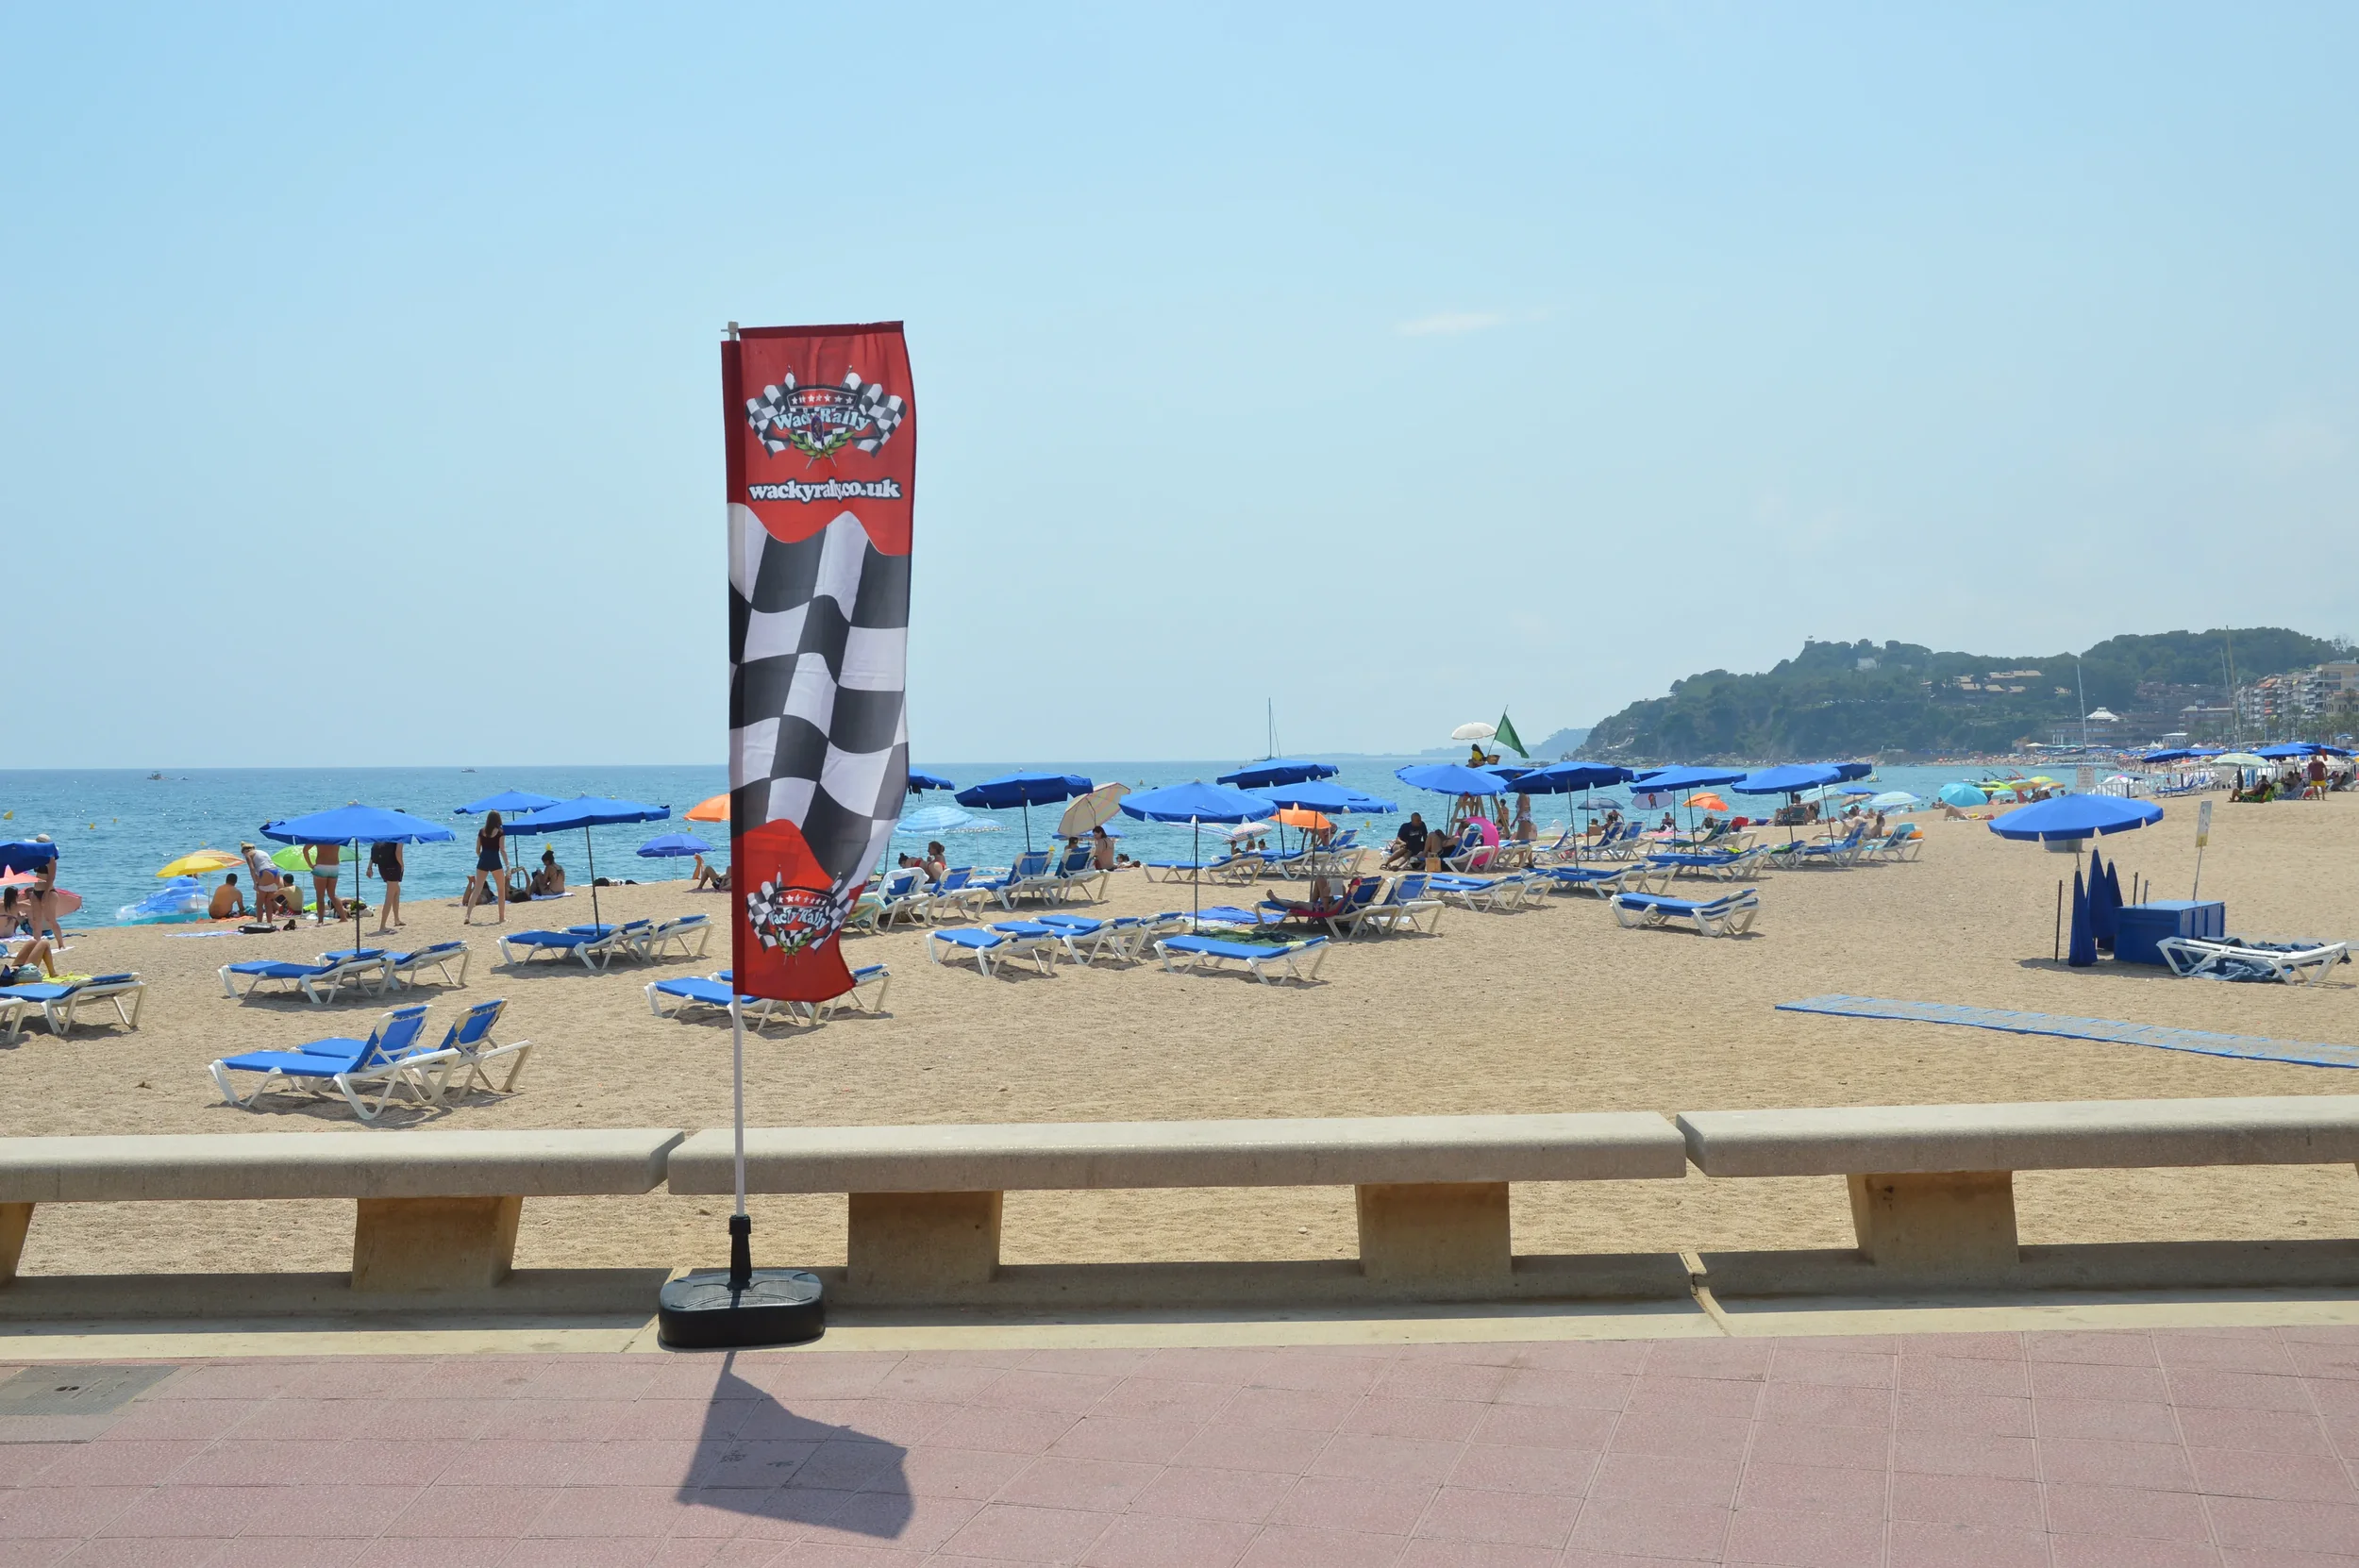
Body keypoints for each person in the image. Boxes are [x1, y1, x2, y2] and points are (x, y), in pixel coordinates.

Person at [464, 811, 507, 925]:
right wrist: (508, 865)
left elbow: (477, 850)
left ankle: (468, 915)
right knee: (501, 890)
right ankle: (501, 918)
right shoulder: (500, 832)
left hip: (483, 860)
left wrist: (482, 857)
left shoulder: (481, 831)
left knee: (477, 889)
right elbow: (502, 850)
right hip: (495, 861)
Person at [303, 841, 345, 924]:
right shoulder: (337, 837)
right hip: (334, 866)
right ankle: (343, 917)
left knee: (320, 895)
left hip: (321, 866)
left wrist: (310, 864)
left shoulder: (319, 836)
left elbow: (305, 850)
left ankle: (320, 920)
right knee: (332, 894)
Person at [26, 839, 60, 942]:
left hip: (48, 892)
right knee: (36, 921)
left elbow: (51, 878)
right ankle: (36, 942)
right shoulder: (38, 858)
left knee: (50, 920)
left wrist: (46, 894)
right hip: (36, 891)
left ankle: (60, 942)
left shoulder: (51, 860)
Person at [369, 840, 404, 933]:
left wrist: (369, 867)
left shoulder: (383, 836)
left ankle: (397, 919)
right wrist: (402, 865)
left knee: (397, 890)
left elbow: (373, 852)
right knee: (390, 895)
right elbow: (398, 852)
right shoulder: (400, 837)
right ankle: (382, 926)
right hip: (393, 867)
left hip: (382, 867)